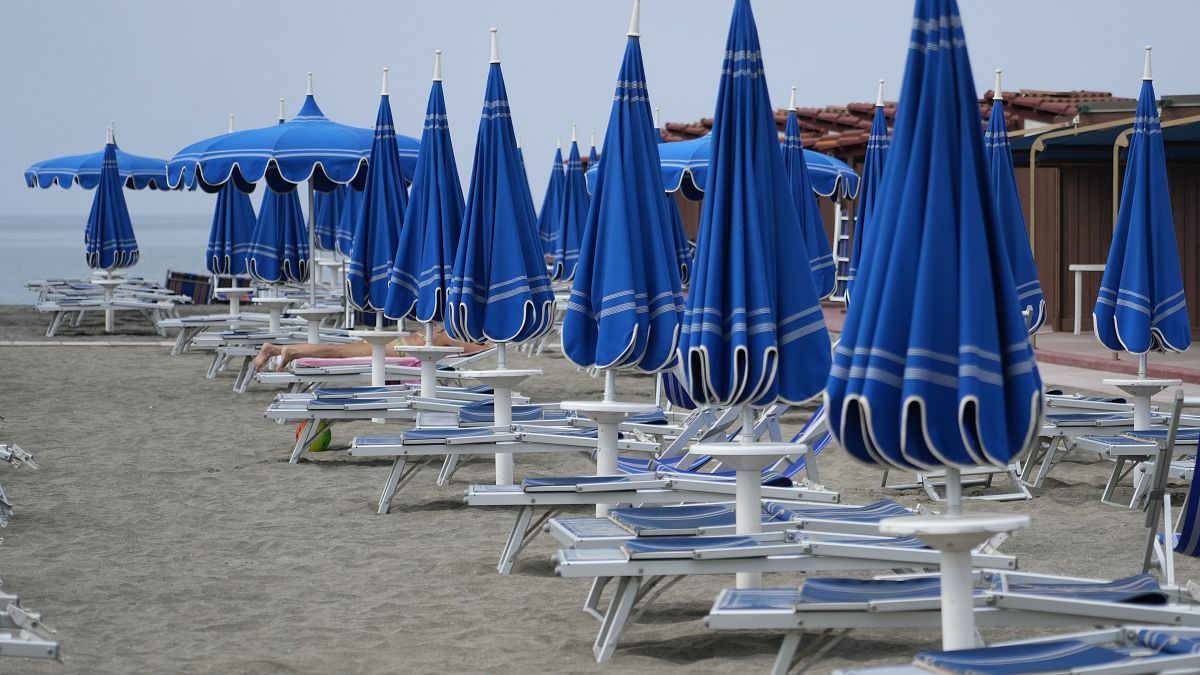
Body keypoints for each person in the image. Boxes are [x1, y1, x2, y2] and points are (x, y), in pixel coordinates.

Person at [252, 325, 490, 372]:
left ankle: (274, 349)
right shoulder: (451, 334)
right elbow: (475, 350)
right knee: (338, 352)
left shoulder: (445, 327)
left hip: (397, 345)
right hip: (398, 351)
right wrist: (492, 344)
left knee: (337, 349)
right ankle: (290, 352)